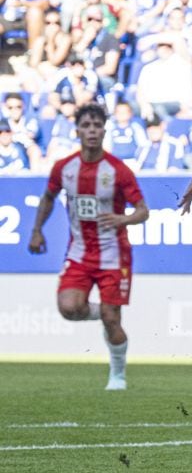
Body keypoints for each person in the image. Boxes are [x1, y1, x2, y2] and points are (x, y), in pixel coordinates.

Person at [27, 103, 149, 390]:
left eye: (97, 126)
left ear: (104, 131)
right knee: (69, 308)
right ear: (77, 131)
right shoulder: (64, 168)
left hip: (114, 255)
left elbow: (143, 211)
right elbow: (48, 198)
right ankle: (107, 313)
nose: (92, 131)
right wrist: (37, 230)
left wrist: (122, 219)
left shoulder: (118, 170)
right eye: (86, 126)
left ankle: (117, 375)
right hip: (79, 253)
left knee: (111, 319)